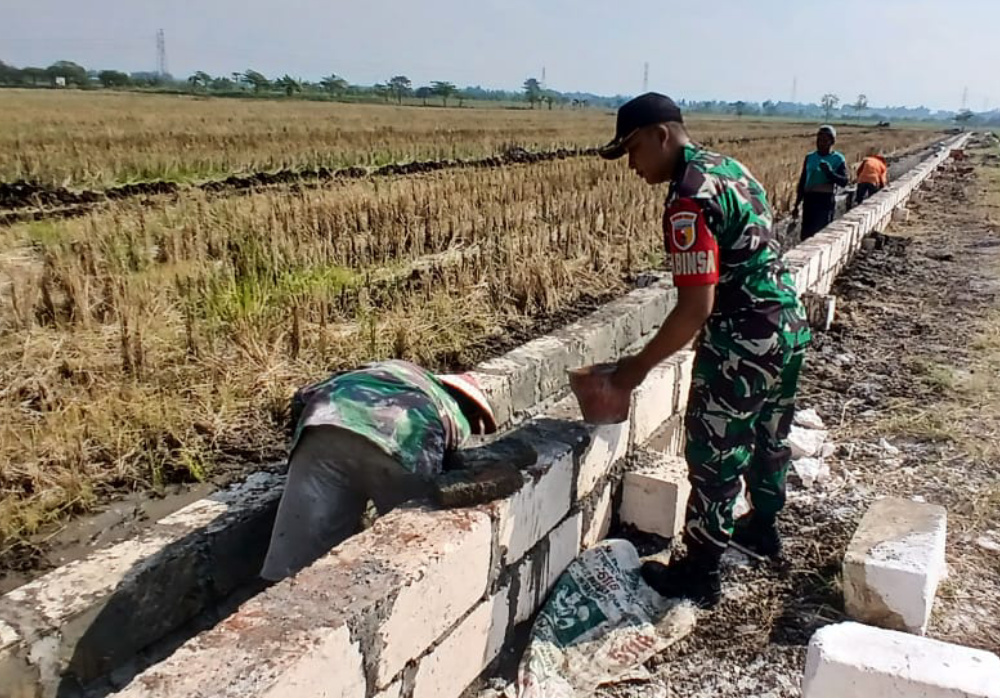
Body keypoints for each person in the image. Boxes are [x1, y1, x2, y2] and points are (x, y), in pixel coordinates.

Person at [595, 93, 811, 608]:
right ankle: (762, 525)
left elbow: (694, 308)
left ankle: (699, 570)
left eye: (632, 149)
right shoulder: (731, 168)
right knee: (770, 432)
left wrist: (633, 371)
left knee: (714, 452)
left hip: (743, 339)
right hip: (788, 324)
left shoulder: (687, 198)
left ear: (661, 135)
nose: (631, 164)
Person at [260, 360, 499, 581]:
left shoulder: (389, 370)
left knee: (295, 561)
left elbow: (302, 398)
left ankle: (272, 604)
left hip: (324, 424)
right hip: (401, 444)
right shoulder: (451, 408)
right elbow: (447, 461)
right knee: (408, 548)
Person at [795, 125, 849, 239]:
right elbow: (803, 180)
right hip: (809, 200)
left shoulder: (838, 159)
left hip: (825, 200)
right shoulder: (810, 157)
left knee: (821, 234)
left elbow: (844, 181)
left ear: (832, 142)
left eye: (825, 140)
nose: (821, 143)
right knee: (806, 234)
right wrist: (796, 205)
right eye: (819, 140)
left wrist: (829, 173)